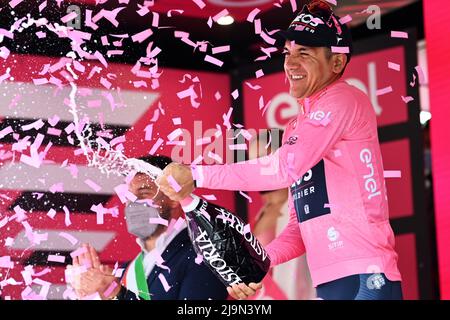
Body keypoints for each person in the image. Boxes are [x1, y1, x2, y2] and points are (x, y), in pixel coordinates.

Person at [156, 0, 403, 300]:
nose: (291, 63)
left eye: (305, 54)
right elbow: (298, 230)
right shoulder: (296, 128)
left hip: (367, 274)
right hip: (330, 281)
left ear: (336, 63)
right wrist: (258, 264)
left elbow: (283, 168)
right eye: (288, 53)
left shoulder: (343, 99)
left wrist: (195, 174)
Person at [66, 155, 228, 300]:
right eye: (129, 195)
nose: (133, 203)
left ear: (173, 197)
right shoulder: (124, 272)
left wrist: (116, 293)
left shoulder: (206, 255)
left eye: (144, 193)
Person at [249, 129, 316, 300]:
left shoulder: (303, 206)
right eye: (251, 160)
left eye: (264, 158)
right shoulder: (260, 214)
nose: (256, 165)